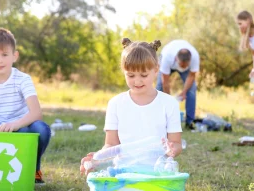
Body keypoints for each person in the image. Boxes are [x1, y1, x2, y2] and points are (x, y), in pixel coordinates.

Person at [80, 38, 182, 175]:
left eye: (144, 75)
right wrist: (98, 158)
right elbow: (111, 145)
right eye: (131, 75)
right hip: (123, 172)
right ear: (124, 71)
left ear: (156, 69)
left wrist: (172, 150)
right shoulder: (115, 103)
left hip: (157, 173)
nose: (137, 81)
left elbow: (176, 143)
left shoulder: (169, 104)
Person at [0, 28, 51, 184]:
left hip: (20, 126)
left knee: (40, 129)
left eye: (4, 55)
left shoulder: (22, 79)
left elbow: (36, 113)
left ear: (15, 56)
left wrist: (14, 124)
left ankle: (34, 170)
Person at [156, 40, 200, 129]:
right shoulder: (167, 57)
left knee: (192, 90)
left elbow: (191, 76)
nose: (182, 67)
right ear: (176, 59)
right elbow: (165, 83)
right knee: (159, 87)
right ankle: (157, 119)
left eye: (185, 66)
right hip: (169, 65)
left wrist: (184, 92)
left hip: (184, 69)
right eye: (181, 65)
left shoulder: (195, 57)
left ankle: (189, 122)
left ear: (190, 61)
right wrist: (168, 101)